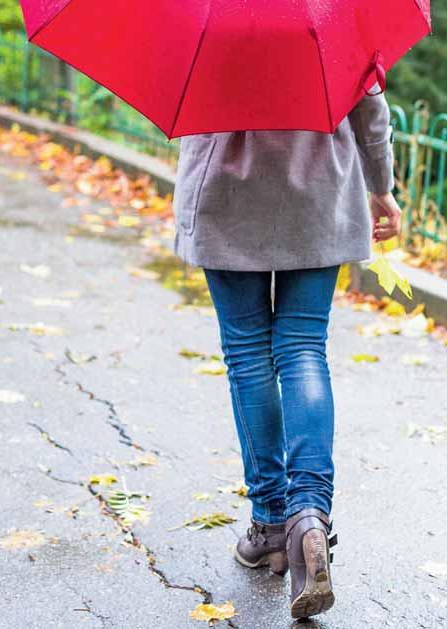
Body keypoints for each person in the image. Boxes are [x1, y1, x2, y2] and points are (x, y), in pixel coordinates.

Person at [171, 84, 401, 620]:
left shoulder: (205, 29)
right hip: (318, 188)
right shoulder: (331, 29)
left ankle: (271, 522)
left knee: (248, 352)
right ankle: (310, 516)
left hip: (225, 188)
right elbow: (369, 104)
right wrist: (382, 186)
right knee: (303, 348)